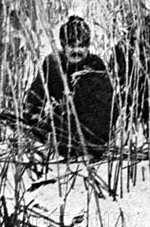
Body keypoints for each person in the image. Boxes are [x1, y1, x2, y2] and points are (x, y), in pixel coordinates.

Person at [24, 16, 117, 159]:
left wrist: (93, 144)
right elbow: (36, 96)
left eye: (82, 46)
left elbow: (106, 112)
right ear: (63, 45)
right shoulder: (53, 64)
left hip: (91, 138)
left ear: (88, 47)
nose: (77, 51)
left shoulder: (95, 67)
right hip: (60, 134)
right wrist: (32, 121)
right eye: (72, 46)